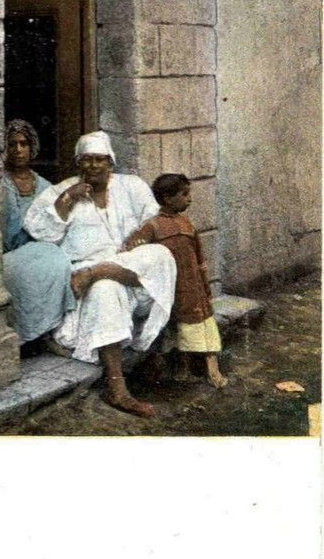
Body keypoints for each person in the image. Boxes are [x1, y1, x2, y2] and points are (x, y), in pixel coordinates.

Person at [24, 131, 177, 418]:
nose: (93, 166)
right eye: (86, 161)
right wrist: (68, 199)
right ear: (78, 164)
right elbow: (40, 231)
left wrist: (140, 235)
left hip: (128, 265)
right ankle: (117, 388)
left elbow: (155, 221)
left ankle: (102, 272)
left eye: (100, 160)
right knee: (106, 289)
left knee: (162, 255)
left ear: (111, 163)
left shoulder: (130, 186)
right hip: (84, 272)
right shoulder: (62, 191)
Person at [122, 173, 228, 389]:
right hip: (173, 287)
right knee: (177, 327)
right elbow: (132, 248)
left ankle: (212, 367)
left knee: (203, 324)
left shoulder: (187, 224)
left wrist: (204, 280)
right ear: (167, 198)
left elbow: (200, 257)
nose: (189, 199)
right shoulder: (153, 226)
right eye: (184, 194)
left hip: (194, 285)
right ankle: (182, 366)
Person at [1, 120, 76, 349]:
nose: (18, 149)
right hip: (11, 253)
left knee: (62, 262)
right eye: (12, 144)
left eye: (24, 144)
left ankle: (54, 331)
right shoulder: (1, 184)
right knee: (46, 262)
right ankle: (34, 333)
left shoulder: (44, 186)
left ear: (32, 147)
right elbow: (10, 235)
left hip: (43, 250)